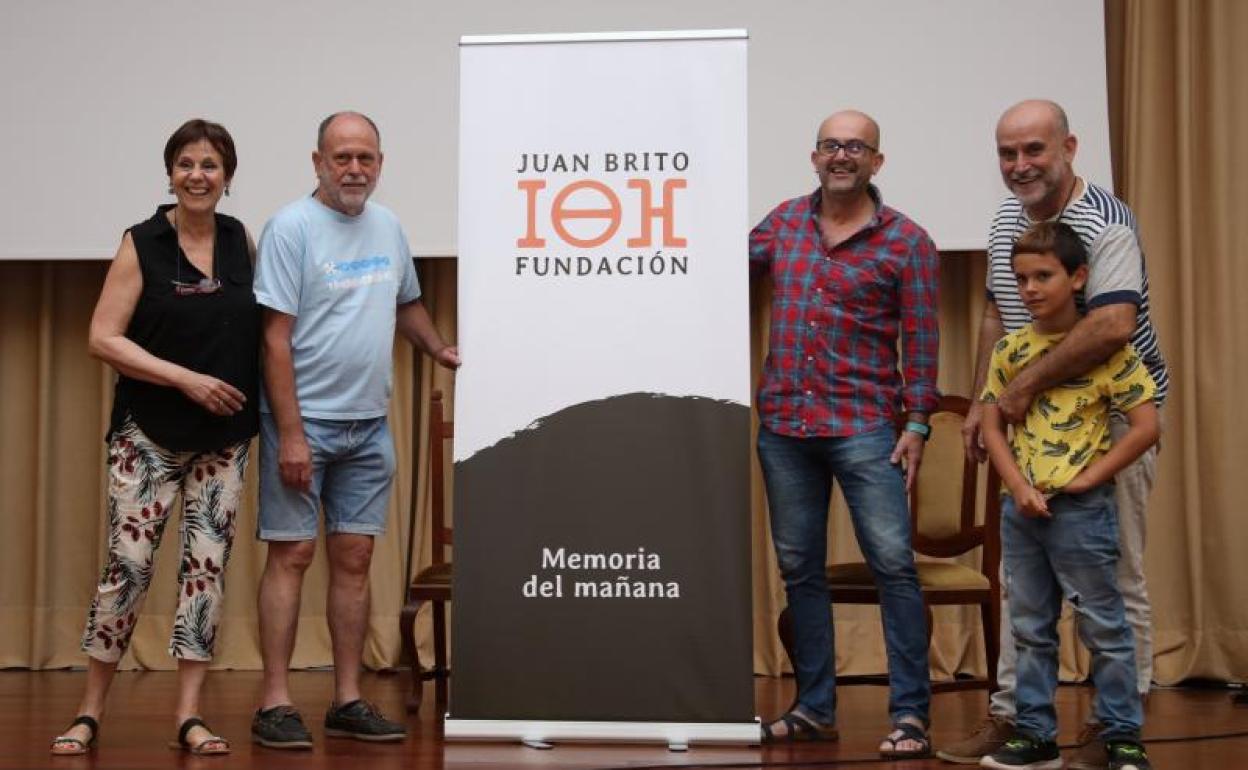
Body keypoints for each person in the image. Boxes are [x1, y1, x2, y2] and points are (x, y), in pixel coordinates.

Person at [940, 99, 1169, 768]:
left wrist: (1020, 389)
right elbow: (996, 312)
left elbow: (1112, 326)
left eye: (1034, 149)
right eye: (1007, 153)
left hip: (1110, 422)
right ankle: (1018, 721)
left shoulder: (1106, 222)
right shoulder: (1006, 218)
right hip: (1029, 430)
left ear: (1068, 147)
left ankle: (1114, 729)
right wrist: (984, 402)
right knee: (1025, 589)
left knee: (1115, 581)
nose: (1020, 165)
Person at [250, 111, 460, 749]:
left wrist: (440, 349)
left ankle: (346, 699)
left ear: (380, 164)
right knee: (292, 555)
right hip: (303, 423)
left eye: (365, 157)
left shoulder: (388, 225)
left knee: (356, 558)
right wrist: (291, 434)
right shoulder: (290, 228)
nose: (353, 168)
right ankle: (275, 702)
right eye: (341, 157)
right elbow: (274, 338)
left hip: (368, 426)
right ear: (317, 162)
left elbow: (407, 304)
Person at [50, 119, 259, 756]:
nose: (198, 175)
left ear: (227, 177)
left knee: (206, 573)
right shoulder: (141, 243)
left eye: (210, 165)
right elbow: (102, 337)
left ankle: (189, 716)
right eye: (186, 164)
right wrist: (185, 380)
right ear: (169, 174)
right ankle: (89, 712)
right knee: (129, 569)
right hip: (148, 436)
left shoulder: (239, 239)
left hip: (224, 439)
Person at [750, 110, 939, 758]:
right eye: (831, 145)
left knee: (893, 566)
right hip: (784, 427)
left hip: (866, 428)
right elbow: (717, 278)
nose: (841, 155)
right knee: (799, 570)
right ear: (814, 157)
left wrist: (918, 423)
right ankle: (814, 710)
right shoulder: (782, 223)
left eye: (856, 147)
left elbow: (922, 340)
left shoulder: (908, 241)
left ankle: (910, 716)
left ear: (876, 162)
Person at [978, 221, 1158, 770]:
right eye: (1021, 279)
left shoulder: (1107, 352)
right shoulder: (1010, 350)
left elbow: (1146, 427)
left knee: (1104, 625)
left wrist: (1087, 479)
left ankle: (1122, 736)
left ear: (1078, 278)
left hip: (1081, 512)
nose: (1030, 289)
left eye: (1043, 276)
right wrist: (1017, 486)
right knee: (1030, 627)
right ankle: (1036, 736)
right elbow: (992, 427)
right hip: (1021, 511)